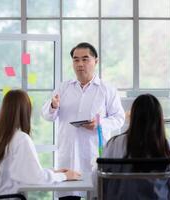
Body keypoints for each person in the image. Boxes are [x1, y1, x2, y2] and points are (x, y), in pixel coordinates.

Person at [42, 42, 125, 200]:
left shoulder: (107, 89)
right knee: (68, 197)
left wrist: (99, 124)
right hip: (68, 157)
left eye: (85, 59)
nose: (80, 64)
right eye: (76, 60)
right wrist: (53, 105)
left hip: (94, 156)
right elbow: (47, 116)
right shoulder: (63, 87)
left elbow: (119, 118)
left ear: (96, 61)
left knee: (96, 194)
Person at [0, 90, 80, 196]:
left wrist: (53, 172)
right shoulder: (21, 139)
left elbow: (21, 172)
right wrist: (65, 176)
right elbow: (36, 179)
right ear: (25, 111)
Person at [94, 94, 170, 198]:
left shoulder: (114, 144)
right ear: (159, 119)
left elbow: (97, 182)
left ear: (133, 117)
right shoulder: (166, 146)